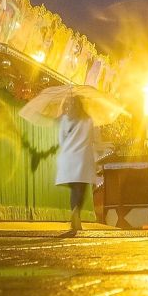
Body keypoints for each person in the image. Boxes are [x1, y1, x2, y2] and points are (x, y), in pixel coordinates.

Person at [56, 95, 96, 231]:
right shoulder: (88, 120)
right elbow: (92, 139)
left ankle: (74, 212)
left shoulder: (64, 120)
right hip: (83, 158)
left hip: (67, 159)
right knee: (81, 188)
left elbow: (61, 141)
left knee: (74, 189)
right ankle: (77, 213)